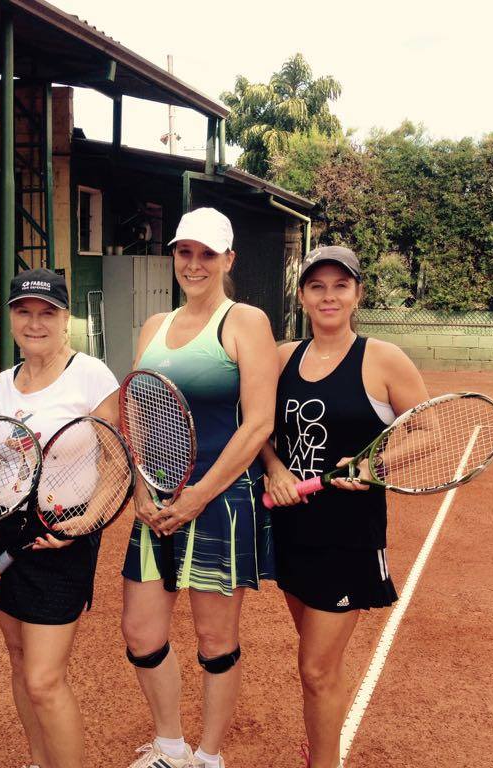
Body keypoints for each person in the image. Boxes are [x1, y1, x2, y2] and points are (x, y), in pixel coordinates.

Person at [120, 207, 279, 768]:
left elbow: (258, 423)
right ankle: (169, 746)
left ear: (227, 260)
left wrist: (200, 494)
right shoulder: (153, 326)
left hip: (221, 503)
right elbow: (137, 409)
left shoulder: (246, 322)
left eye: (207, 254)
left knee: (215, 642)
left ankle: (209, 757)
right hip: (158, 500)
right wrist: (141, 488)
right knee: (141, 634)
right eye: (184, 252)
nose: (194, 263)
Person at [260, 246, 429, 768]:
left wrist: (374, 464)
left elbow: (426, 430)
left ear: (357, 293)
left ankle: (324, 760)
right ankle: (322, 741)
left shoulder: (383, 358)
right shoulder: (283, 357)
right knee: (319, 663)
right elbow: (258, 427)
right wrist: (274, 468)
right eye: (317, 286)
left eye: (340, 285)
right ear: (302, 296)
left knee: (315, 667)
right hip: (290, 530)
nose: (328, 296)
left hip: (349, 535)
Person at [0, 268, 120, 768]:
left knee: (44, 679)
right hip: (2, 530)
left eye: (47, 313)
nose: (35, 323)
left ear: (65, 318)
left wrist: (88, 522)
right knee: (18, 660)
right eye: (24, 312)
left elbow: (117, 464)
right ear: (11, 317)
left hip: (62, 534)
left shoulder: (91, 376)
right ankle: (39, 760)